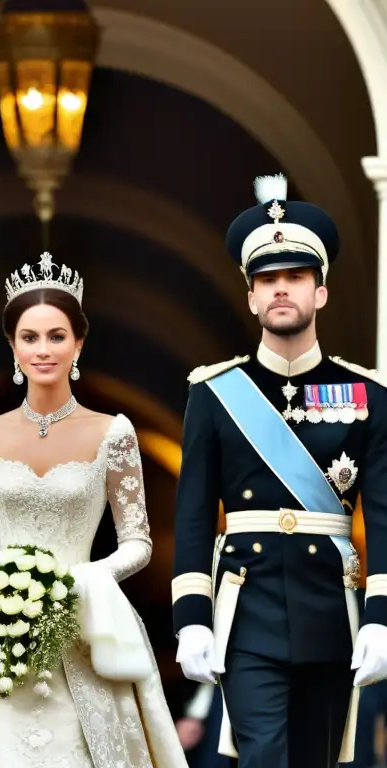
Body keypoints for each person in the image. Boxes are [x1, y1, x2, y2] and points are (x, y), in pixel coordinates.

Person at [0, 253, 186, 767]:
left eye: (56, 336)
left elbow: (137, 540)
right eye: (29, 337)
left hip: (85, 630)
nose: (43, 349)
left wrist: (77, 583)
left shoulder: (115, 432)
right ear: (12, 346)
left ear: (79, 343)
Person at [171, 173, 387, 766]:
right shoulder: (214, 393)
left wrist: (382, 618)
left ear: (321, 291)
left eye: (295, 278)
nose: (281, 290)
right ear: (251, 297)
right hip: (248, 609)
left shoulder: (369, 395)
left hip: (330, 608)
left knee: (316, 757)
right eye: (268, 280)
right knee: (262, 753)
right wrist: (191, 617)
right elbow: (192, 514)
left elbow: (386, 517)